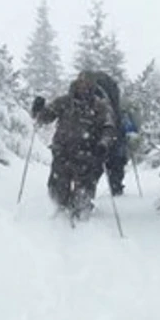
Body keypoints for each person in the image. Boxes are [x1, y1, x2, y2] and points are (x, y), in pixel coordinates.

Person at [31, 73, 117, 219]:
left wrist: (104, 143)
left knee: (84, 190)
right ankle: (60, 211)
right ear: (75, 83)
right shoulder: (63, 102)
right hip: (62, 152)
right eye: (80, 83)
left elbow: (109, 128)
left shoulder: (100, 106)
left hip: (87, 155)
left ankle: (81, 215)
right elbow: (45, 117)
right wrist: (38, 110)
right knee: (57, 188)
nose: (83, 86)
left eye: (87, 83)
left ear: (92, 86)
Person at [80, 71, 137, 196]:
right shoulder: (116, 105)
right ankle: (116, 188)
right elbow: (128, 125)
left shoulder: (94, 99)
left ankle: (86, 194)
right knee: (116, 164)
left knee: (93, 168)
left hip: (95, 138)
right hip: (115, 138)